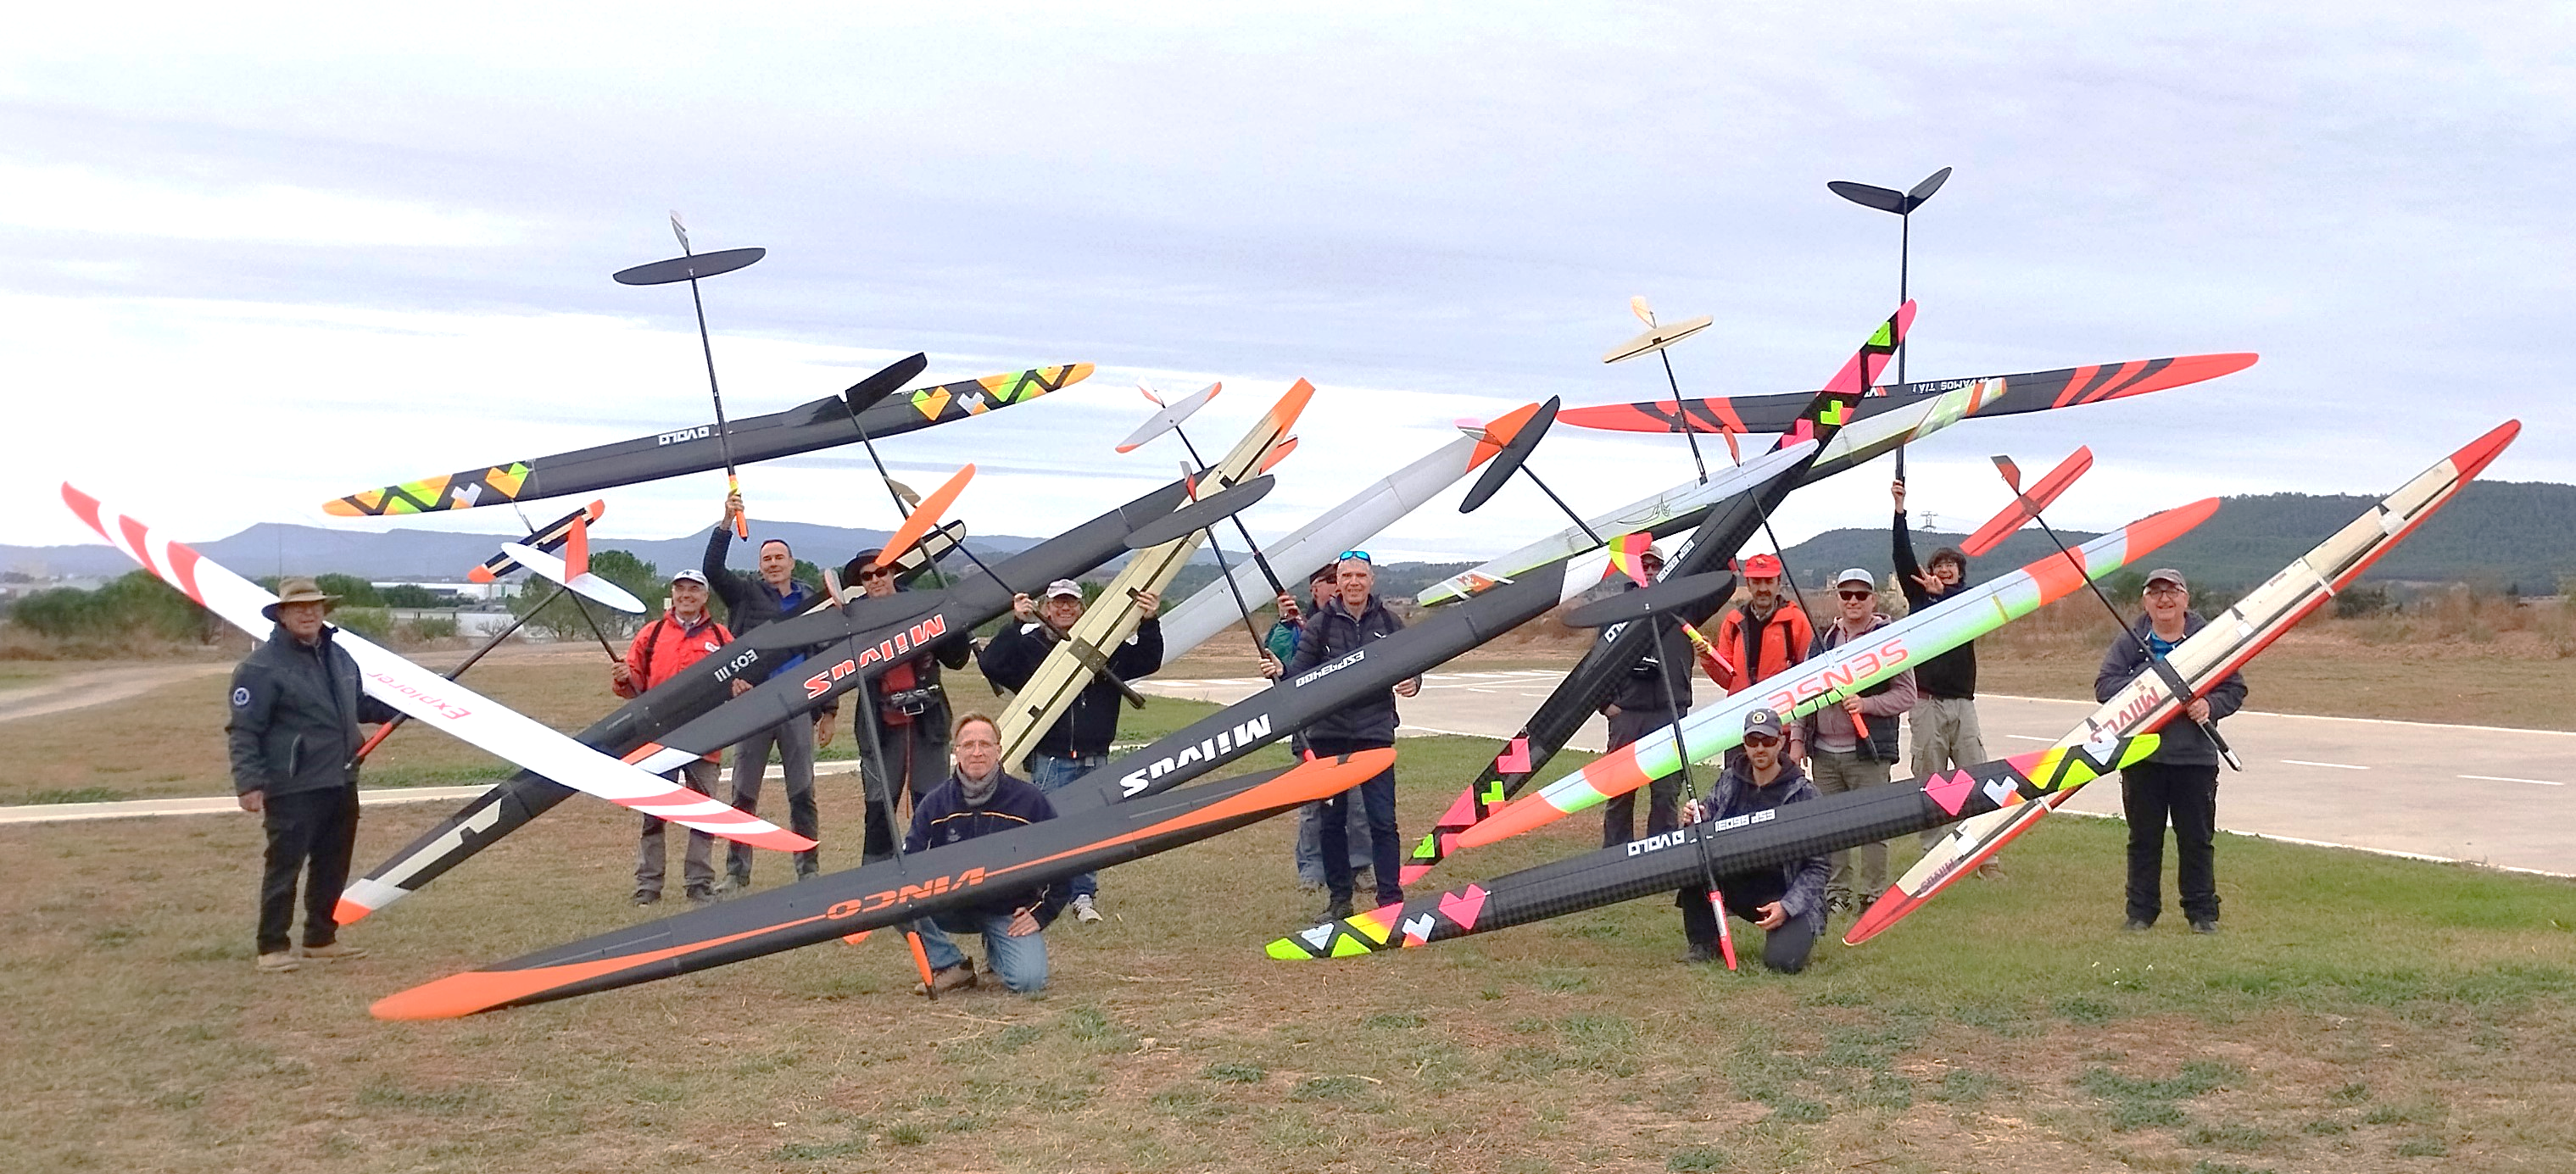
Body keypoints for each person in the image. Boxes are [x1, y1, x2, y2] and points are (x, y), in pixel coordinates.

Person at [226, 577, 399, 972]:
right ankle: (272, 946)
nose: (308, 613)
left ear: (324, 611)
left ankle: (320, 938)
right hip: (292, 783)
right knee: (284, 865)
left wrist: (411, 707)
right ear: (282, 615)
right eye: (298, 607)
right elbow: (244, 731)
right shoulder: (260, 667)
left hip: (342, 777)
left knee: (333, 864)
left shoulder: (340, 657)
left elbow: (359, 704)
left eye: (315, 606)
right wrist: (249, 783)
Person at [976, 577, 1163, 923]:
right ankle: (1041, 894)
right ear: (1046, 608)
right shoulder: (1030, 647)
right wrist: (1015, 622)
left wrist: (1150, 622)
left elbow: (1147, 660)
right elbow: (991, 664)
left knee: (1089, 832)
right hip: (1051, 758)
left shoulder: (1103, 645)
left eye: (1072, 602)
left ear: (1081, 608)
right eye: (1057, 602)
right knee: (1046, 829)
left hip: (1095, 755)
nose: (1065, 608)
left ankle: (1082, 897)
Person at [1258, 552, 1419, 921]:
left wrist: (1414, 681)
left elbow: (1413, 663)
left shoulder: (1389, 621)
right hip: (1328, 737)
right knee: (1332, 822)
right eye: (1346, 576)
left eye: (1360, 576)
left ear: (1371, 580)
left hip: (1375, 735)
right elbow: (1299, 676)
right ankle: (1339, 901)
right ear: (1339, 583)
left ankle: (1390, 900)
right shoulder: (1321, 624)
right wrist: (1280, 670)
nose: (1353, 582)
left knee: (1383, 821)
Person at [2095, 569, 2247, 934]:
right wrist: (2150, 688)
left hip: (2194, 760)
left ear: (2185, 598)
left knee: (2196, 840)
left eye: (2172, 592)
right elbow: (2104, 686)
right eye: (2155, 593)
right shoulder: (2131, 641)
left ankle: (2202, 914)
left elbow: (2234, 688)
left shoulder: (2208, 641)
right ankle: (2140, 913)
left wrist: (2209, 705)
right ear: (2145, 601)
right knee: (2143, 840)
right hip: (2142, 759)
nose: (2164, 599)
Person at [705, 492, 832, 888]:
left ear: (792, 563)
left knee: (802, 792)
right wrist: (727, 523)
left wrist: (828, 710)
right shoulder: (745, 594)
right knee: (743, 793)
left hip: (799, 704)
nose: (773, 563)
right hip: (753, 705)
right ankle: (736, 872)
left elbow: (825, 655)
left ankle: (808, 868)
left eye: (780, 557)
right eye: (767, 559)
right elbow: (712, 569)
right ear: (759, 566)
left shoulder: (812, 601)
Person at [906, 713, 1063, 995]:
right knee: (897, 902)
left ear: (998, 750)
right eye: (968, 745)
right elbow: (909, 865)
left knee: (1029, 982)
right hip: (951, 905)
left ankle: (997, 947)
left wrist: (1041, 913)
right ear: (956, 751)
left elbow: (1066, 859)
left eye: (985, 744)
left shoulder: (1029, 801)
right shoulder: (935, 803)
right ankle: (951, 965)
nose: (977, 752)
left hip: (1007, 910)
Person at [611, 569, 736, 906]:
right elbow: (632, 685)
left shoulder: (721, 637)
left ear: (705, 596)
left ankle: (699, 883)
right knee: (654, 813)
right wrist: (623, 676)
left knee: (704, 812)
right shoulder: (651, 634)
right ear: (673, 594)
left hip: (706, 737)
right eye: (681, 589)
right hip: (658, 738)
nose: (686, 595)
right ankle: (648, 885)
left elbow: (738, 679)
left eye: (694, 589)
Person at [1891, 478, 1997, 877]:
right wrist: (1900, 511)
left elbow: (1967, 609)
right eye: (1938, 565)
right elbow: (1903, 557)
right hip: (1926, 703)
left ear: (1960, 573)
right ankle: (1934, 858)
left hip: (1963, 705)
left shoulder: (1969, 601)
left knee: (1977, 777)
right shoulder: (1920, 600)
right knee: (1931, 780)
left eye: (1951, 565)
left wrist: (1945, 594)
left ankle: (1986, 857)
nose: (1944, 570)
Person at [842, 548, 974, 865]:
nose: (875, 580)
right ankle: (876, 877)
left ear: (893, 573)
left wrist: (955, 620)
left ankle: (937, 870)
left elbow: (956, 659)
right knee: (879, 808)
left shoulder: (922, 607)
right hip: (880, 728)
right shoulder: (852, 618)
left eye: (881, 572)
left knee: (933, 804)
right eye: (867, 576)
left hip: (927, 725)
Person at [1798, 567, 1917, 919]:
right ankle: (1837, 893)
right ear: (1838, 599)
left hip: (1868, 751)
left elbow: (1907, 695)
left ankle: (1872, 894)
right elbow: (1803, 695)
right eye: (1846, 595)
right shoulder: (1821, 640)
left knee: (1873, 826)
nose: (1853, 601)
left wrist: (1867, 705)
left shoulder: (1888, 641)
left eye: (1861, 595)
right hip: (1824, 752)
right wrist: (1797, 740)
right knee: (1831, 828)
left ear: (1873, 600)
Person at [1676, 708, 1827, 972]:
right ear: (1744, 744)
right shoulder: (1730, 780)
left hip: (1784, 890)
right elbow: (1706, 820)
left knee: (1782, 963)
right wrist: (1695, 818)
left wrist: (1788, 907)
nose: (1760, 749)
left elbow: (1819, 866)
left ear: (1780, 742)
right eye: (1752, 741)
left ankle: (1791, 932)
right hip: (1738, 882)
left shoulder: (1804, 794)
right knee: (1694, 864)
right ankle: (1704, 942)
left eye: (1767, 741)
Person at [1276, 564, 1372, 889]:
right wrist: (1284, 623)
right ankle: (1312, 870)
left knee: (1357, 804)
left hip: (1353, 728)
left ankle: (1360, 866)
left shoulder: (1355, 623)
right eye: (1329, 581)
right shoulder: (1296, 626)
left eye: (1338, 580)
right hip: (1311, 731)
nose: (1337, 586)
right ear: (1314, 588)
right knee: (1313, 807)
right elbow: (1281, 666)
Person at [1599, 543, 1698, 847]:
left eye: (1657, 566)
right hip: (1628, 713)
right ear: (1634, 570)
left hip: (1669, 711)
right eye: (1645, 566)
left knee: (1666, 793)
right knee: (1620, 792)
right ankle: (1616, 855)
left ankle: (1662, 854)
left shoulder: (1682, 606)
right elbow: (1598, 662)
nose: (1651, 571)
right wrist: (1605, 704)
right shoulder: (1617, 609)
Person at [1712, 554, 1815, 703]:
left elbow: (1809, 674)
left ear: (1778, 583)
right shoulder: (1733, 622)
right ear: (1748, 584)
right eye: (1756, 582)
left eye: (1769, 581)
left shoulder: (1796, 621)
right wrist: (1708, 658)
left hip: (1782, 711)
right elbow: (1726, 679)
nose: (1762, 588)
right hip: (1740, 710)